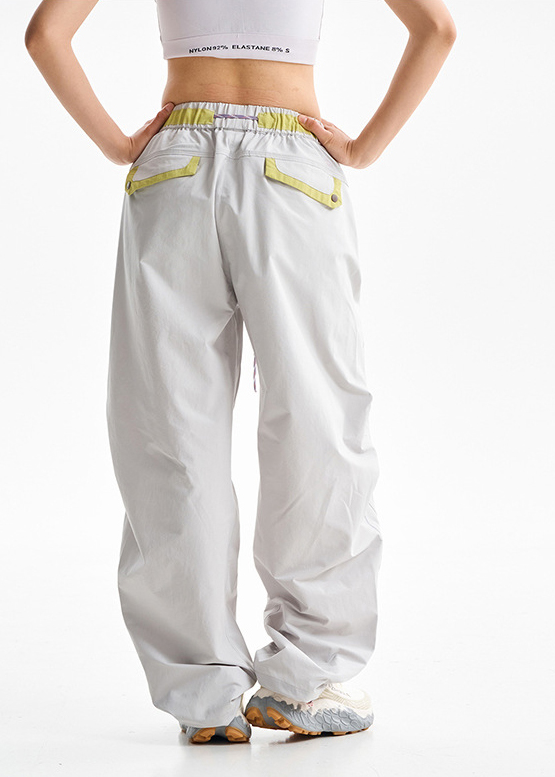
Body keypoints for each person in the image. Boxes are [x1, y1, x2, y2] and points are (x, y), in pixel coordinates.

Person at [25, 0, 456, 745]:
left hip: (174, 166)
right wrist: (362, 150)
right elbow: (436, 28)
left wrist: (119, 145)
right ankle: (307, 678)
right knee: (317, 421)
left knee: (168, 430)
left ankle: (204, 693)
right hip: (292, 166)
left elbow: (45, 35)